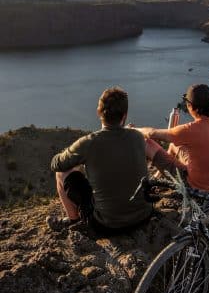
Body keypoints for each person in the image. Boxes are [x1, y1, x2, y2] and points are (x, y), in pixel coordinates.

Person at [46, 86, 152, 232]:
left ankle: (74, 220)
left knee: (61, 173)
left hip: (106, 225)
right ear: (125, 115)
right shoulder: (138, 137)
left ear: (98, 112)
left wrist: (72, 154)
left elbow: (56, 164)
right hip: (143, 217)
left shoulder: (88, 143)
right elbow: (120, 144)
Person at [139, 84, 209, 192]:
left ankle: (151, 181)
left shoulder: (190, 129)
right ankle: (157, 177)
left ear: (191, 107)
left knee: (147, 143)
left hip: (195, 185)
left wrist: (133, 130)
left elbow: (151, 133)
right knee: (174, 144)